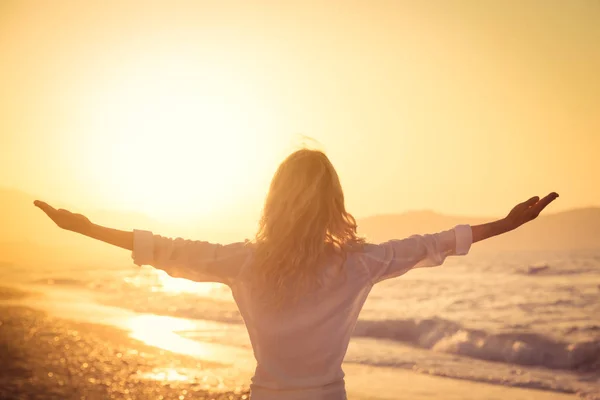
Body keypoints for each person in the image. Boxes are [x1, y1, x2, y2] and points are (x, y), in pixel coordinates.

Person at [34, 149, 559, 400]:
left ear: (275, 202)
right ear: (334, 202)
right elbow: (436, 245)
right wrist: (508, 224)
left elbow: (166, 249)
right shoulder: (359, 263)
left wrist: (88, 229)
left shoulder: (244, 261)